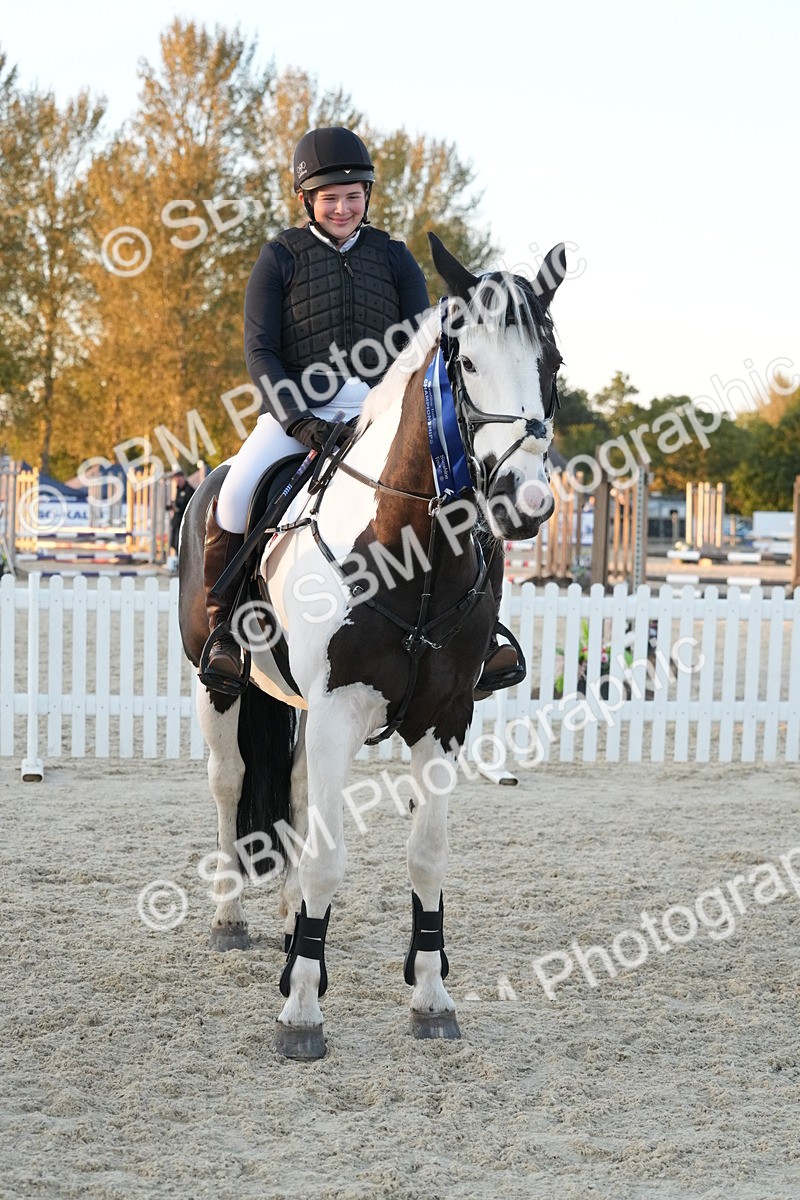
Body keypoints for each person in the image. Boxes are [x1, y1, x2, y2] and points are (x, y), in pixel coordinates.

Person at [202, 127, 430, 687]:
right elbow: (261, 351)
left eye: (354, 196)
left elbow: (421, 344)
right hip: (298, 413)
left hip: (379, 416)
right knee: (233, 496)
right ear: (307, 200)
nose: (344, 208)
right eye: (331, 198)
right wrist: (298, 422)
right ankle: (225, 629)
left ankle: (481, 629)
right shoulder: (279, 257)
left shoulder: (396, 260)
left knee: (454, 489)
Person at [167, 469, 195, 571]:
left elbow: (189, 507)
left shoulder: (189, 490)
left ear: (182, 477)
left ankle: (183, 565)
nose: (176, 481)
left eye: (177, 478)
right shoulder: (178, 489)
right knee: (173, 543)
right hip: (176, 521)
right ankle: (178, 564)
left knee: (180, 544)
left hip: (183, 522)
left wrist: (177, 508)